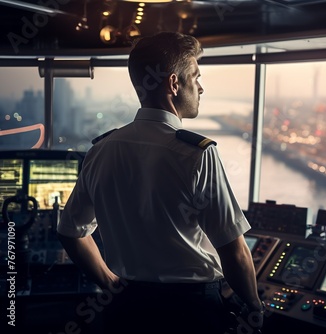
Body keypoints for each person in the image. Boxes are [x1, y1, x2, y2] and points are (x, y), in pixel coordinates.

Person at [56, 31, 264, 334]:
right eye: (196, 76)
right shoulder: (197, 154)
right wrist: (255, 309)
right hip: (190, 311)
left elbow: (70, 232)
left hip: (125, 310)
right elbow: (233, 250)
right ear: (174, 83)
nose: (201, 87)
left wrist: (110, 282)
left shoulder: (101, 150)